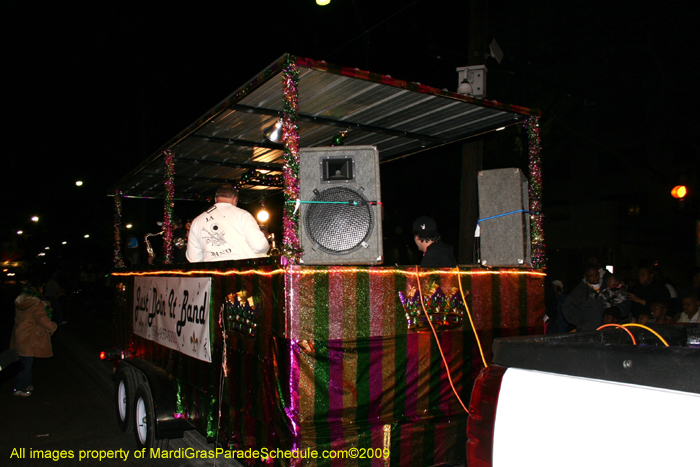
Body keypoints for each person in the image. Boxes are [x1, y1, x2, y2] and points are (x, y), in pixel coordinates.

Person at [186, 184, 269, 262]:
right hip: (238, 270)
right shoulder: (243, 215)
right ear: (235, 199)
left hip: (212, 272)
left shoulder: (197, 221)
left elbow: (193, 258)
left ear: (215, 199)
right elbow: (259, 246)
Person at [9, 279, 58, 396]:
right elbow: (42, 318)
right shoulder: (36, 303)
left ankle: (23, 384)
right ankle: (21, 387)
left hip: (20, 335)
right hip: (30, 337)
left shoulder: (21, 301)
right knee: (26, 364)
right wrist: (53, 326)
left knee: (23, 362)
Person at [562, 264, 605, 332]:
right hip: (588, 331)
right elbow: (567, 308)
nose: (595, 278)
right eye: (591, 276)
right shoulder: (578, 292)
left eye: (597, 275)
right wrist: (579, 323)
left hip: (607, 329)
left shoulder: (607, 287)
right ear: (585, 277)